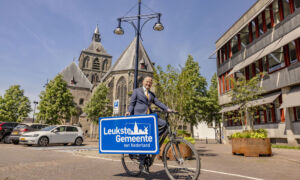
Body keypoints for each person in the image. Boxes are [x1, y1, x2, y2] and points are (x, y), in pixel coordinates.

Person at [125, 76, 173, 171]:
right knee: (144, 140)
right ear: (143, 82)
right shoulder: (136, 91)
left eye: (150, 82)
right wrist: (128, 111)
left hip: (149, 116)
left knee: (164, 124)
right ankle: (142, 163)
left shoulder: (151, 94)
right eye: (147, 81)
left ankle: (154, 138)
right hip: (140, 117)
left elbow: (158, 102)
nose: (148, 83)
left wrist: (167, 109)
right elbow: (132, 103)